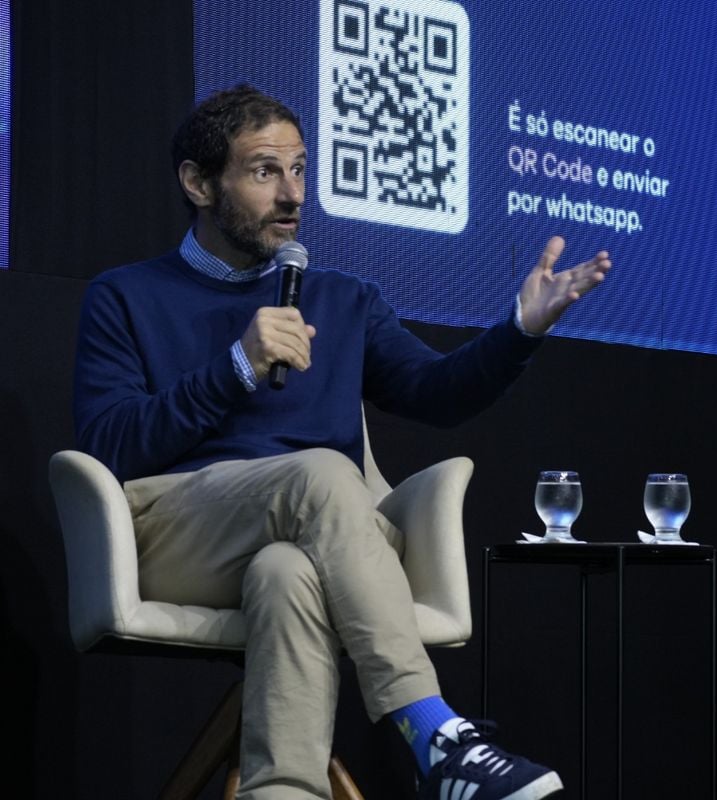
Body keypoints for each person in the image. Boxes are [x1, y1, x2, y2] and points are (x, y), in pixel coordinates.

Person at [73, 85, 610, 800]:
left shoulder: (343, 297)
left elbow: (438, 394)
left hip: (321, 540)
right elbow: (110, 447)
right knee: (323, 475)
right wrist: (234, 368)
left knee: (286, 572)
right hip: (183, 534)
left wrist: (519, 332)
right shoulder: (125, 296)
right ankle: (436, 735)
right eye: (265, 171)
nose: (292, 194)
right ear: (199, 183)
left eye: (299, 169)